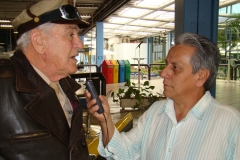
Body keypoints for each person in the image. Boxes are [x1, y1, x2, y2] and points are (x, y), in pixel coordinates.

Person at [85, 32, 240, 160]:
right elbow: (125, 152)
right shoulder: (156, 112)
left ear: (201, 76)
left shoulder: (231, 123)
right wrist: (105, 121)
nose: (163, 73)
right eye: (166, 64)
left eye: (175, 67)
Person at [0, 0, 91, 159]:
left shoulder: (65, 86)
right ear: (39, 41)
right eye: (70, 34)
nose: (80, 44)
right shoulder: (3, 88)